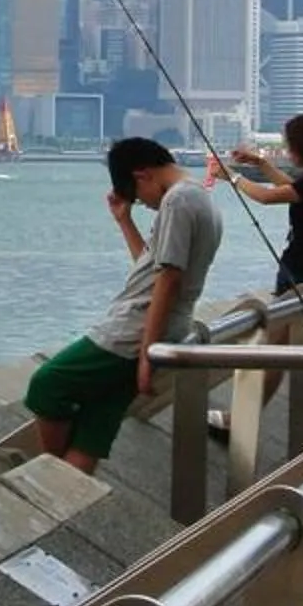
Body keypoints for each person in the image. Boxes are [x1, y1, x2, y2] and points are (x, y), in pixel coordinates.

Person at [22, 137, 224, 473]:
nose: (143, 205)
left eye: (136, 196)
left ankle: (51, 476)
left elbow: (169, 279)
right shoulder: (200, 199)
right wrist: (124, 220)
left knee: (47, 384)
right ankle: (67, 487)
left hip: (132, 332)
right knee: (93, 426)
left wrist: (147, 353)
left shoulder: (178, 200)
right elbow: (151, 269)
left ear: (142, 174)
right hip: (162, 328)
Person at [215, 111, 303, 293]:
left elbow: (266, 196)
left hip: (302, 270)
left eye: (290, 147)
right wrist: (261, 163)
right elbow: (290, 187)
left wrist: (232, 176)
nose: (288, 152)